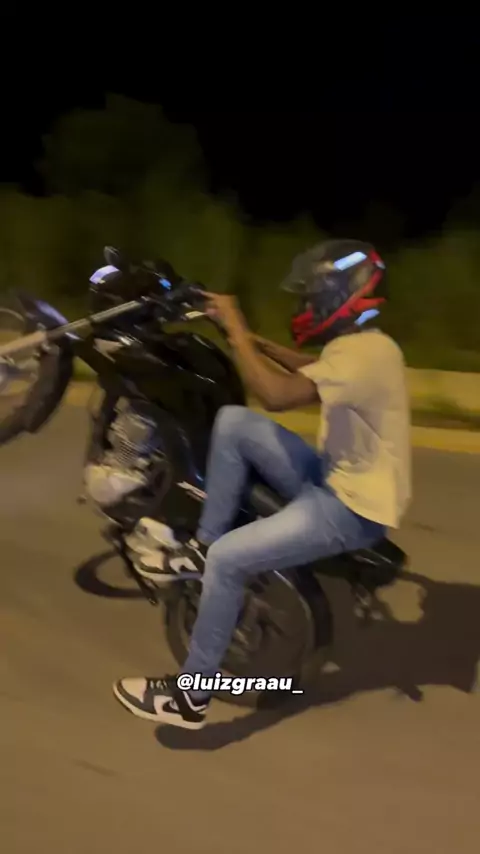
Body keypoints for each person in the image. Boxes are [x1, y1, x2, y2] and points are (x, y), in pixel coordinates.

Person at [113, 239, 411, 729]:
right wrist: (251, 340)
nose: (307, 303)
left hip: (349, 508)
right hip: (332, 476)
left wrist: (235, 328)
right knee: (234, 423)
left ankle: (190, 698)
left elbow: (275, 395)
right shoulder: (362, 346)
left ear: (342, 296)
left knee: (229, 561)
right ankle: (202, 545)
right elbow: (310, 370)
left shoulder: (369, 354)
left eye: (314, 295)